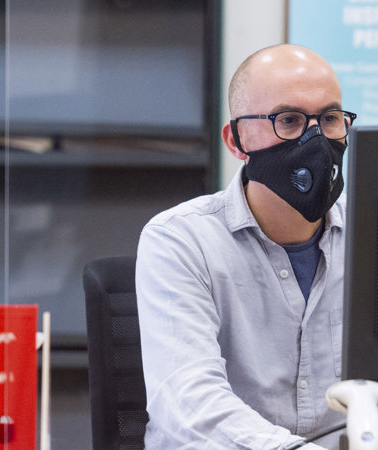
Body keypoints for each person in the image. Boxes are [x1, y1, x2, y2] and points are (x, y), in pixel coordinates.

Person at [136, 44, 355, 449]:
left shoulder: (376, 234)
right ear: (236, 140)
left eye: (329, 119)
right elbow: (191, 406)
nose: (317, 139)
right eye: (288, 120)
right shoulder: (179, 240)